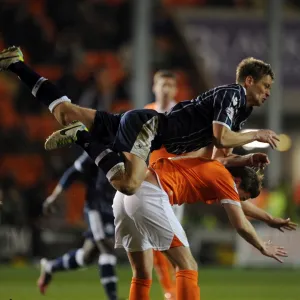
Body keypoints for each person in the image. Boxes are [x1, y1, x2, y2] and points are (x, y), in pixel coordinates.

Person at [0, 46, 279, 196]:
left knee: (65, 112)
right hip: (149, 128)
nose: (267, 93)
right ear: (249, 81)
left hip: (142, 125)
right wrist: (257, 135)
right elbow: (221, 137)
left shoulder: (240, 112)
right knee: (129, 185)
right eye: (265, 86)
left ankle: (15, 64)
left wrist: (247, 160)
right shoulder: (233, 95)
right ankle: (80, 137)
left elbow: (219, 156)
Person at [112, 156, 297, 300]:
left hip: (125, 194)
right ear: (238, 182)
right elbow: (240, 223)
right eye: (242, 197)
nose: (238, 201)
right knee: (187, 265)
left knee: (142, 272)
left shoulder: (213, 170)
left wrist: (269, 218)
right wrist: (262, 246)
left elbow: (236, 204)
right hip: (150, 194)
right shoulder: (224, 177)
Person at [37, 152, 118, 300]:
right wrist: (55, 196)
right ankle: (112, 297)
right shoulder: (99, 147)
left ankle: (51, 266)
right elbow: (73, 172)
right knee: (107, 248)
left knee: (88, 256)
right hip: (96, 207)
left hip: (113, 207)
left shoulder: (128, 145)